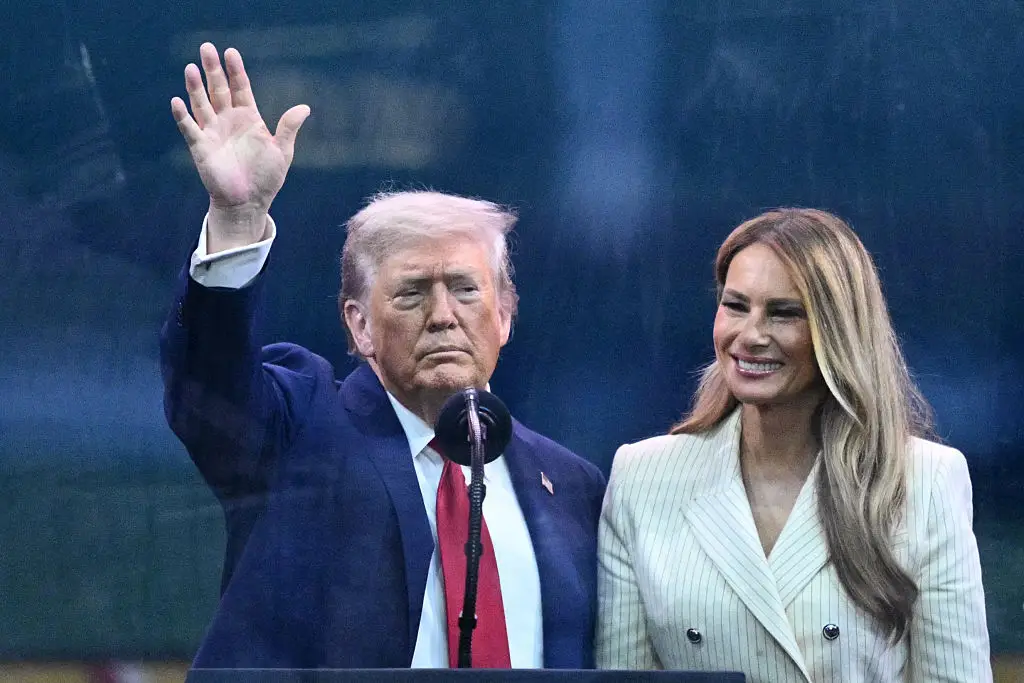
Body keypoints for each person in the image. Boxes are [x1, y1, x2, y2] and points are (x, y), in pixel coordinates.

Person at [161, 42, 605, 669]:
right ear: (359, 325)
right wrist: (237, 222)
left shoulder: (572, 487)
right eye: (412, 293)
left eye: (465, 289)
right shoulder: (298, 428)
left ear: (504, 315)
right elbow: (211, 389)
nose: (443, 314)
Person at [595, 208, 991, 682]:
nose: (751, 335)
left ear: (838, 330)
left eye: (784, 313)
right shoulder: (642, 476)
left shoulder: (925, 479)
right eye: (735, 306)